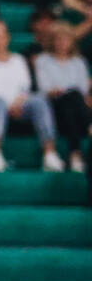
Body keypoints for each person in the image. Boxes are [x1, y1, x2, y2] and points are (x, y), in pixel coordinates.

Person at [0, 19, 64, 172]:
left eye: (1, 36)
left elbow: (24, 89)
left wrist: (19, 101)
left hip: (18, 105)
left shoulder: (18, 60)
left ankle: (49, 153)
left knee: (39, 100)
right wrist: (8, 104)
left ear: (8, 38)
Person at [34, 22, 91, 172]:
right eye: (58, 39)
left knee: (72, 99)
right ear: (52, 41)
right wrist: (58, 91)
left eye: (66, 39)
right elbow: (44, 88)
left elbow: (83, 89)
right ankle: (89, 125)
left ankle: (75, 155)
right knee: (70, 98)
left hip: (75, 106)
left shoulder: (79, 62)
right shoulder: (42, 60)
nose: (62, 43)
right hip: (53, 105)